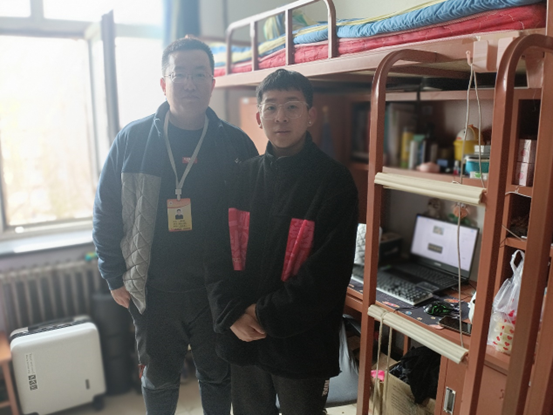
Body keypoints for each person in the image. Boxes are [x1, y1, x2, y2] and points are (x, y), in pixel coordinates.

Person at [92, 37, 258, 415]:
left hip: (217, 292)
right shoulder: (132, 140)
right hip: (154, 290)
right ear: (163, 83)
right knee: (159, 379)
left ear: (212, 83)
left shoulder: (235, 144)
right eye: (179, 74)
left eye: (199, 74)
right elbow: (106, 210)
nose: (189, 83)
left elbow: (256, 220)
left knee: (217, 376)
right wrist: (113, 275)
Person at [206, 68, 359, 415]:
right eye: (271, 107)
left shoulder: (333, 182)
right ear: (259, 117)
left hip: (301, 342)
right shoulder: (240, 178)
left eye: (292, 106)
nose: (281, 117)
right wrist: (231, 314)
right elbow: (214, 254)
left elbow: (328, 274)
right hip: (242, 336)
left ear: (310, 115)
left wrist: (262, 315)